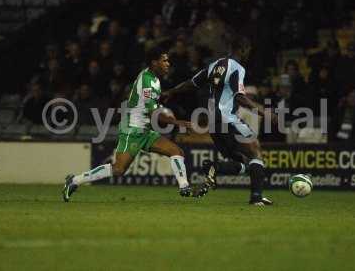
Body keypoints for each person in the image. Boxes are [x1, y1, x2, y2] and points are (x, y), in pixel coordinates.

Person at [62, 46, 195, 202]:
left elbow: (149, 103)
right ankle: (75, 181)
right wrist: (178, 122)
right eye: (164, 60)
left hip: (145, 130)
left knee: (176, 151)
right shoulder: (147, 80)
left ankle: (184, 187)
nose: (168, 63)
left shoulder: (154, 79)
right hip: (132, 129)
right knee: (118, 169)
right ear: (154, 63)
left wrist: (162, 98)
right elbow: (153, 114)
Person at [162, 39, 277, 206]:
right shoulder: (237, 68)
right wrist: (263, 111)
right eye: (248, 50)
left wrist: (171, 91)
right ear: (244, 49)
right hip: (226, 119)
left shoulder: (214, 65)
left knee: (242, 163)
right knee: (255, 151)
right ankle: (256, 198)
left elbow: (191, 83)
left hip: (213, 123)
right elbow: (240, 97)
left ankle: (214, 167)